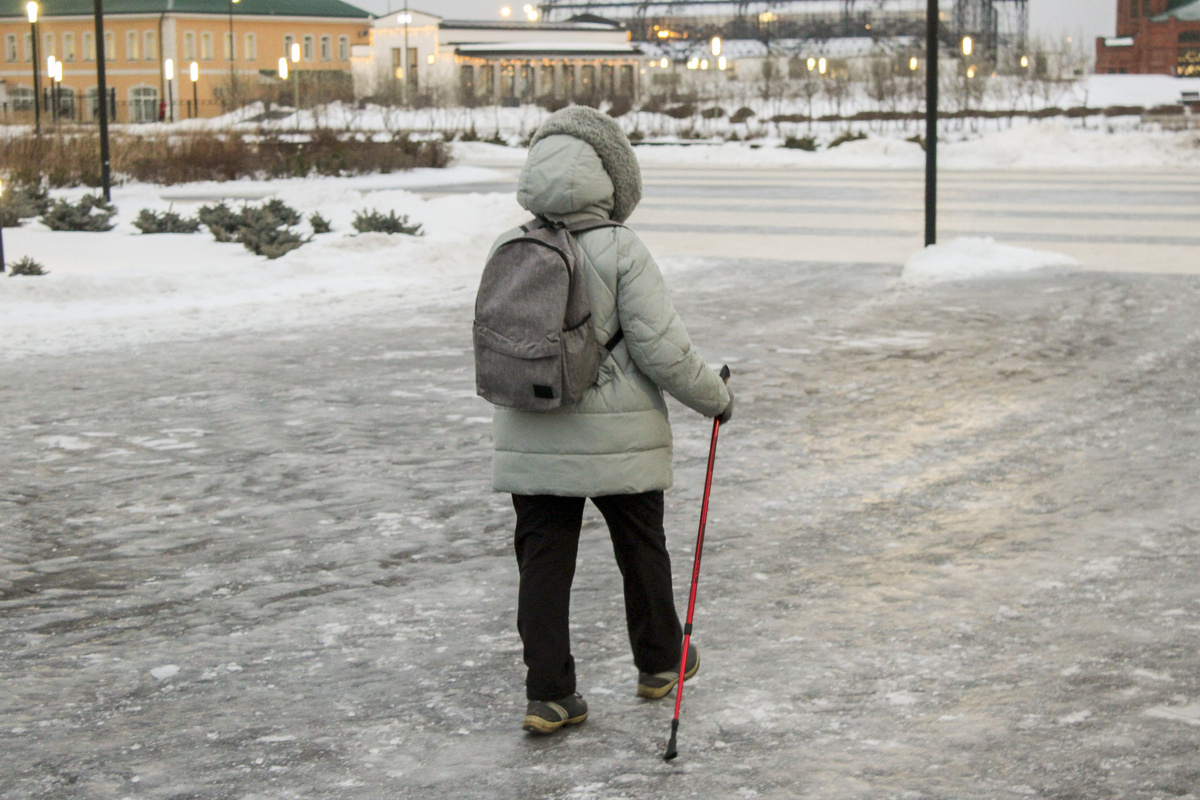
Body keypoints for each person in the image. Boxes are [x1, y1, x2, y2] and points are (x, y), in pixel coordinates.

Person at [487, 105, 734, 735]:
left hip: (533, 428)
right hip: (619, 433)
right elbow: (661, 347)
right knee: (641, 548)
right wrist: (715, 398)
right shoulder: (622, 247)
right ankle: (659, 663)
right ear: (612, 179)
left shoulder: (512, 245)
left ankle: (549, 694)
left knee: (543, 564)